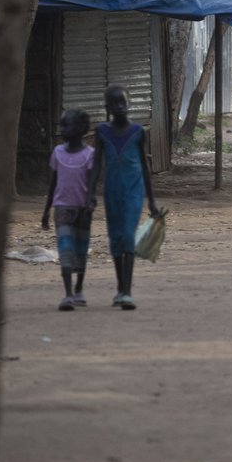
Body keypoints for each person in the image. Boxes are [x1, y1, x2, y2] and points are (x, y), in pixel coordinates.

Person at [91, 85, 161, 310]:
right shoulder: (101, 131)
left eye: (123, 102)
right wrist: (89, 194)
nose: (120, 106)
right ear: (107, 107)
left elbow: (144, 166)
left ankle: (127, 292)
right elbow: (96, 166)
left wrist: (151, 201)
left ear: (129, 104)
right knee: (115, 239)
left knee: (128, 236)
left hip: (134, 192)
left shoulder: (139, 132)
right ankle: (120, 288)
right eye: (115, 103)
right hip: (112, 193)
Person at [41, 109, 95, 312]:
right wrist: (46, 211)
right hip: (62, 209)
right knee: (65, 249)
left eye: (66, 125)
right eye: (61, 125)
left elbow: (91, 184)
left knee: (81, 249)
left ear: (81, 129)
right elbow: (53, 184)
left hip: (83, 210)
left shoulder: (90, 155)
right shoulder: (57, 153)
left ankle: (79, 288)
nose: (62, 129)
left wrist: (90, 203)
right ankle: (68, 294)